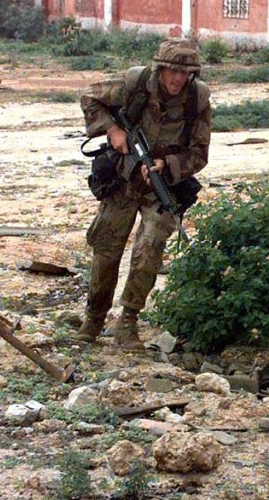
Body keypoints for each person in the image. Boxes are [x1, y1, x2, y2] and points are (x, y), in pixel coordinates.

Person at [73, 38, 211, 350]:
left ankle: (128, 321)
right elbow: (89, 97)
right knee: (106, 247)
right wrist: (113, 130)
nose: (178, 79)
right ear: (161, 69)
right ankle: (94, 318)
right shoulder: (134, 83)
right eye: (172, 71)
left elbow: (200, 153)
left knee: (150, 249)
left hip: (162, 187)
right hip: (123, 179)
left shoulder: (197, 99)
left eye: (185, 73)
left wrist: (168, 165)